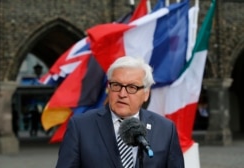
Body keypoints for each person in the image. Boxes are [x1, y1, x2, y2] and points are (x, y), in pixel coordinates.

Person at [56, 56, 184, 168]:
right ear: (109, 88)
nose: (122, 94)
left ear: (146, 94)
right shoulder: (80, 127)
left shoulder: (165, 129)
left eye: (132, 87)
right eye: (116, 85)